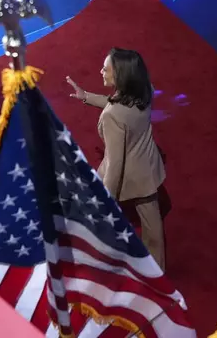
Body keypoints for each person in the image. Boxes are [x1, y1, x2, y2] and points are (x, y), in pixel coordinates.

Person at [66, 48, 167, 270]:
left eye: (106, 68)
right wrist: (88, 97)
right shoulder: (145, 91)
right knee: (153, 228)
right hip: (149, 168)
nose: (100, 71)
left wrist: (106, 199)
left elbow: (115, 163)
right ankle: (158, 271)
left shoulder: (112, 117)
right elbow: (122, 106)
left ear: (120, 75)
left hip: (129, 175)